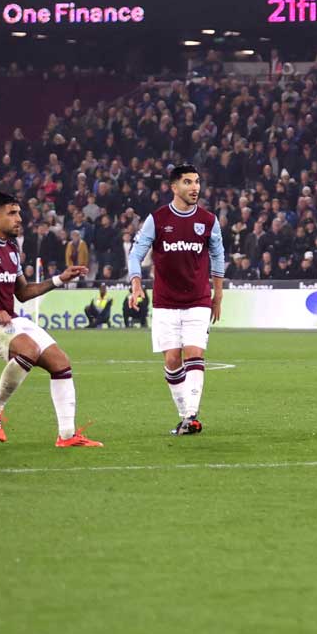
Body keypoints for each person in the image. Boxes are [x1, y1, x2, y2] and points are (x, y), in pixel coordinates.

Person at [0, 192, 97, 447]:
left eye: (19, 213)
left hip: (9, 320)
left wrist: (60, 279)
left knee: (61, 363)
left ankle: (67, 436)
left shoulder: (12, 248)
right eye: (12, 213)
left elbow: (23, 293)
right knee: (29, 349)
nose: (19, 219)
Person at [129, 164, 226, 436]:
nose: (195, 187)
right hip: (165, 303)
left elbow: (218, 256)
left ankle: (192, 415)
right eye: (188, 182)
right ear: (174, 187)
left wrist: (217, 294)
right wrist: (136, 283)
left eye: (197, 182)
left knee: (194, 353)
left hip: (197, 300)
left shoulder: (208, 220)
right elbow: (136, 254)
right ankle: (185, 415)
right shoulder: (157, 219)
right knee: (172, 360)